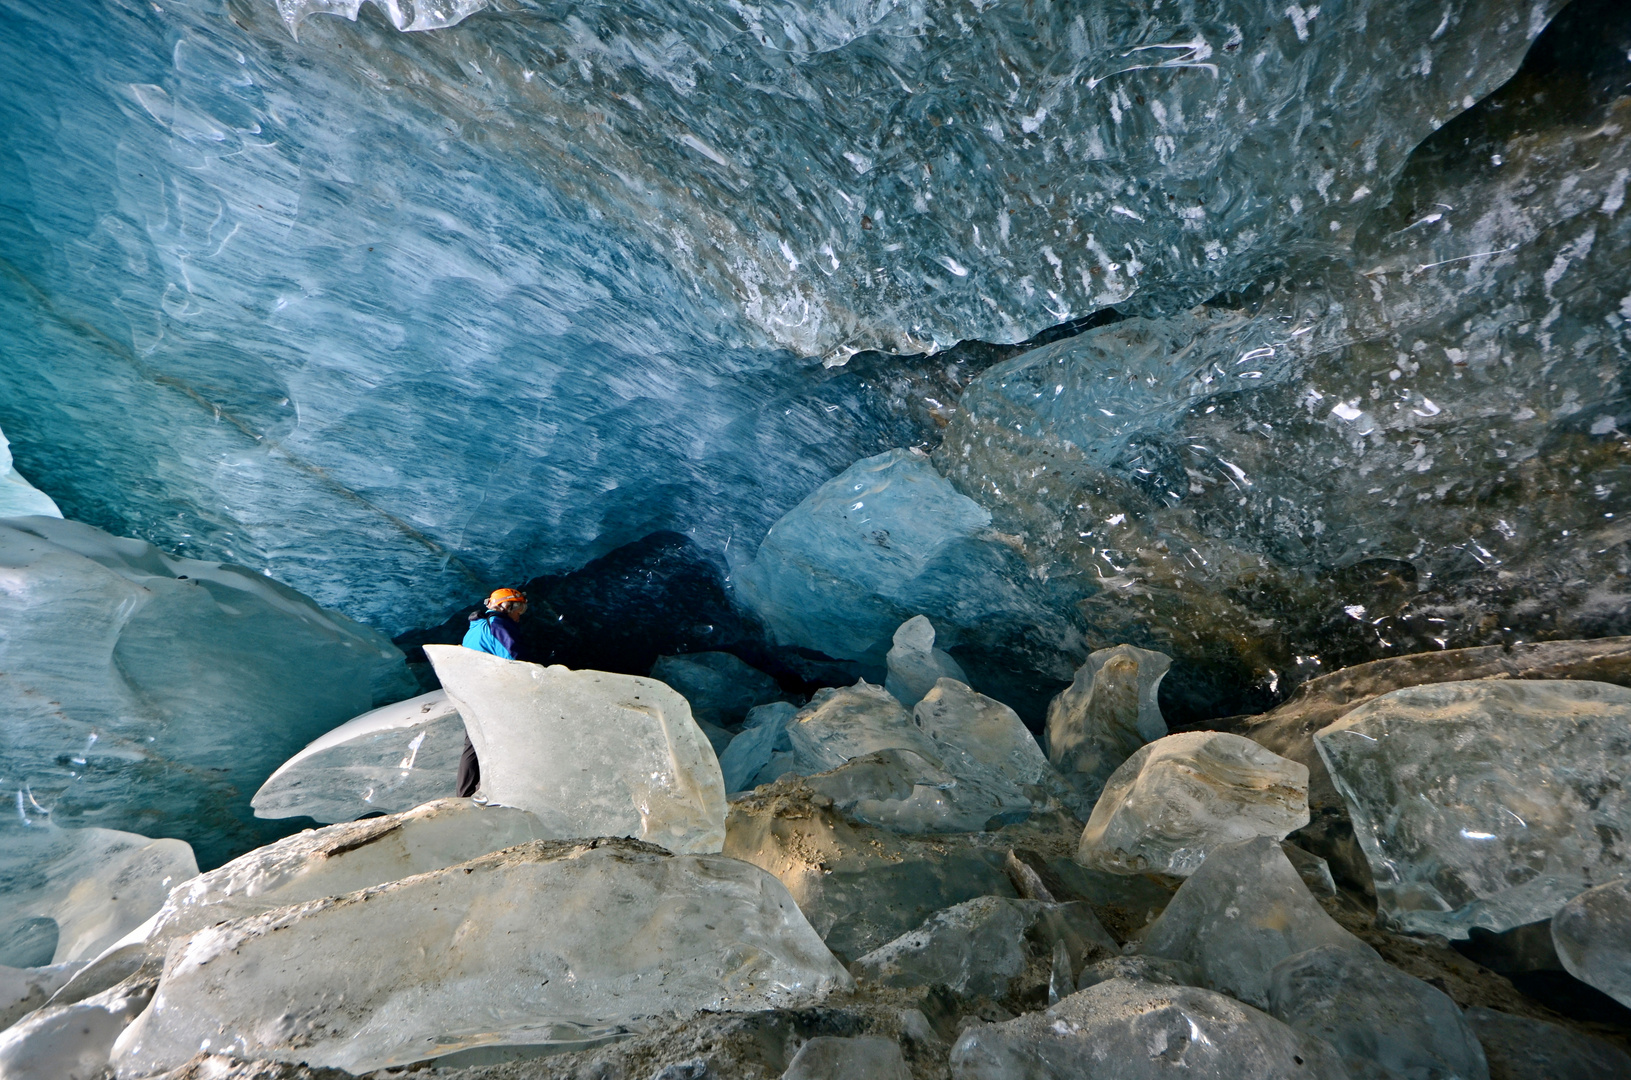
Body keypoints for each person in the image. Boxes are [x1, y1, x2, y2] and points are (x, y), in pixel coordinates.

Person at [455, 587, 529, 797]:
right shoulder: (498, 627)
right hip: (492, 695)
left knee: (473, 744)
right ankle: (496, 791)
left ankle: (466, 794)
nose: (519, 615)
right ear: (508, 606)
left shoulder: (476, 628)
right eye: (519, 609)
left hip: (472, 692)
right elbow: (516, 662)